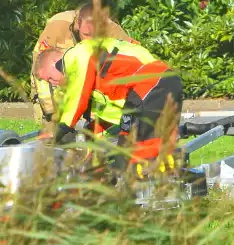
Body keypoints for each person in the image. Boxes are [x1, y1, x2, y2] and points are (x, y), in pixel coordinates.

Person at [34, 37, 182, 163]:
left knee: (129, 154)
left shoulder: (76, 55)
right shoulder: (94, 78)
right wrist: (90, 132)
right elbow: (111, 112)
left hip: (152, 82)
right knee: (150, 151)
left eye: (50, 77)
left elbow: (78, 97)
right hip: (156, 85)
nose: (52, 83)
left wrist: (61, 129)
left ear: (55, 60)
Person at [29, 2, 135, 122]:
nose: (90, 40)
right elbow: (41, 69)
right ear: (78, 24)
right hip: (56, 87)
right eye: (86, 34)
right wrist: (50, 114)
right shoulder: (58, 25)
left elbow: (135, 64)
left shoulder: (113, 31)